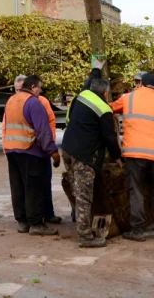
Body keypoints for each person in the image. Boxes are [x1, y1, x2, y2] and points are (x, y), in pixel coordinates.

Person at [110, 71, 154, 241]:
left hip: (135, 153)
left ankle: (137, 231)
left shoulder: (128, 98)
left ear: (142, 84)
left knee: (136, 191)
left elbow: (109, 109)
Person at [60, 77, 122, 248]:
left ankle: (79, 221)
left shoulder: (81, 96)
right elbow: (110, 138)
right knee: (84, 195)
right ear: (106, 93)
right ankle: (85, 236)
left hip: (67, 149)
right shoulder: (104, 109)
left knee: (76, 189)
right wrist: (117, 156)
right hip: (84, 155)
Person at [2, 74, 59, 236]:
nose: (40, 91)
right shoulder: (33, 102)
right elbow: (43, 130)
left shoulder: (12, 100)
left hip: (12, 150)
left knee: (18, 187)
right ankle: (36, 224)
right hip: (30, 151)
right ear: (33, 87)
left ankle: (22, 222)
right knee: (33, 187)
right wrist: (54, 153)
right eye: (39, 88)